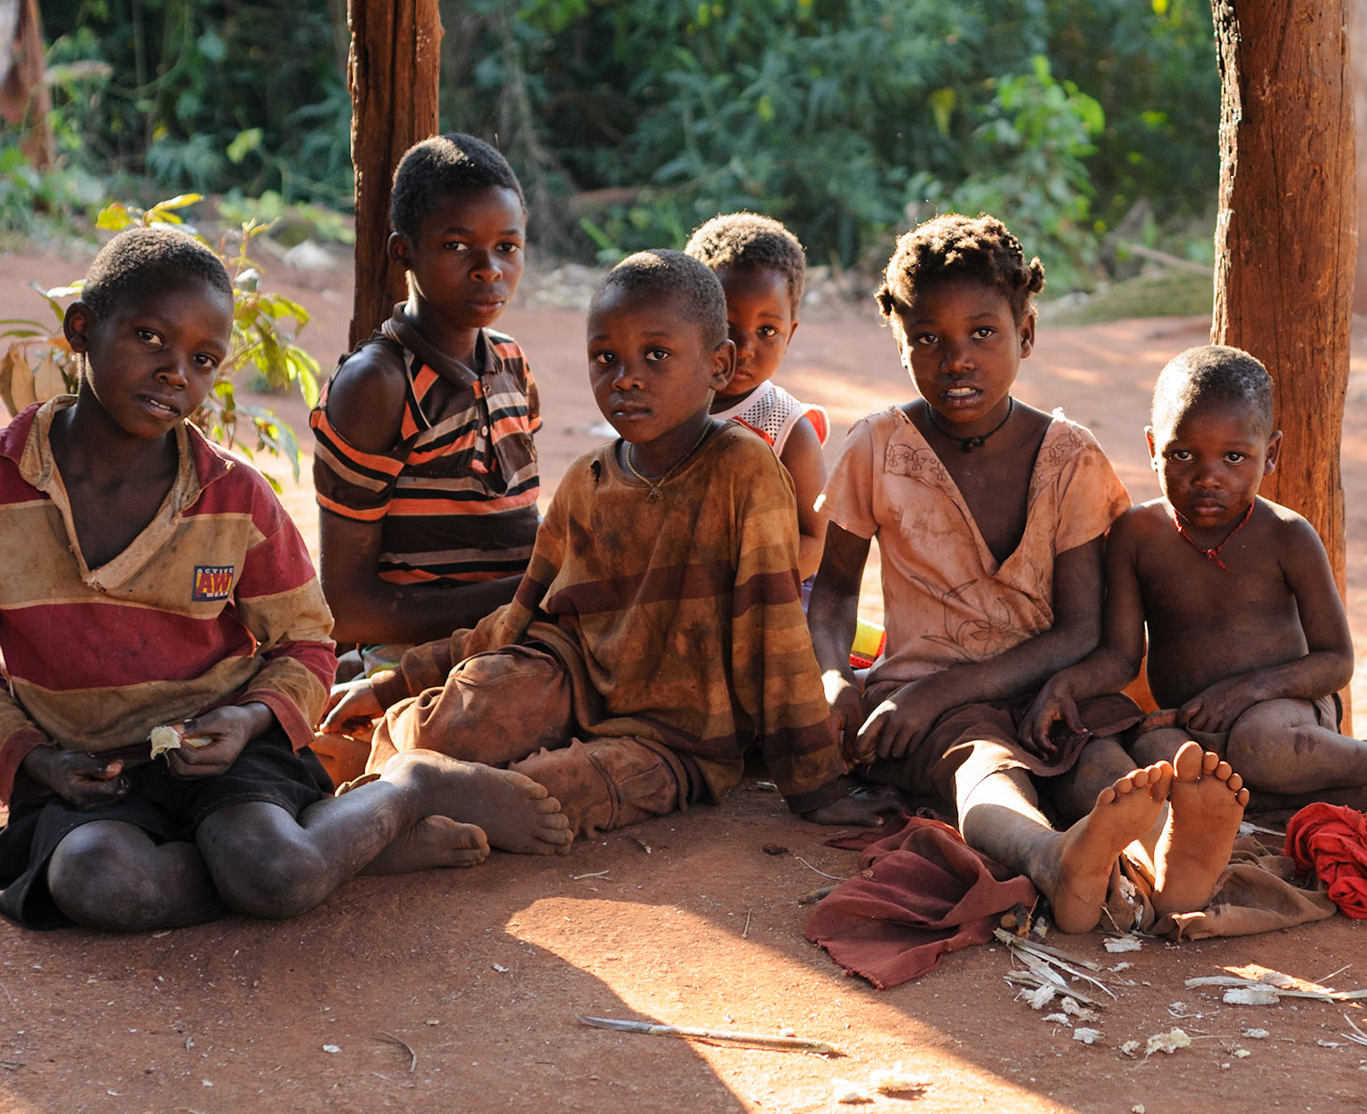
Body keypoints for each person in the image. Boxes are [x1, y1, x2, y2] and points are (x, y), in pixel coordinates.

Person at [0, 228, 572, 930]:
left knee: (276, 872)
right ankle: (342, 848)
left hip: (231, 755)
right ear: (82, 329)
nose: (176, 371)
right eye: (150, 337)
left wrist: (247, 720)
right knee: (96, 883)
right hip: (85, 777)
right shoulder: (6, 490)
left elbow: (308, 642)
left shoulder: (233, 498)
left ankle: (409, 790)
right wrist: (38, 760)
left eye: (202, 359)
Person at [810, 215, 1248, 931]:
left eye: (983, 333)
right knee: (983, 768)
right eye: (928, 339)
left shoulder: (1070, 459)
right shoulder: (876, 449)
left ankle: (1155, 874)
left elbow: (1082, 628)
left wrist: (1010, 690)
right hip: (926, 704)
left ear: (1027, 335)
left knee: (1104, 769)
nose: (956, 359)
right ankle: (1051, 859)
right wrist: (835, 678)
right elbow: (829, 598)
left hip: (1049, 689)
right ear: (902, 346)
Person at [355, 251, 889, 837]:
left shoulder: (744, 466)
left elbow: (775, 626)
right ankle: (423, 785)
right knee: (461, 719)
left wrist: (816, 783)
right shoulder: (588, 478)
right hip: (571, 673)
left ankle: (424, 799)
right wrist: (397, 682)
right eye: (605, 358)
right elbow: (519, 614)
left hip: (676, 732)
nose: (626, 377)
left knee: (577, 788)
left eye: (656, 355)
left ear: (718, 365)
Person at [1029, 345, 1367, 819]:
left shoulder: (1289, 537)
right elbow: (1121, 656)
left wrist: (1250, 691)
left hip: (1286, 713)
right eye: (1183, 454)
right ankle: (1310, 797)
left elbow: (1337, 662)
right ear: (1152, 449)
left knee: (1258, 746)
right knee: (1154, 755)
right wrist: (1065, 685)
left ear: (1269, 455)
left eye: (1234, 457)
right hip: (1195, 720)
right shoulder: (1137, 535)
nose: (1208, 478)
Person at [310, 134, 541, 660]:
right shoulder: (379, 385)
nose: (490, 269)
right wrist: (524, 596)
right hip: (412, 659)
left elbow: (512, 526)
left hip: (518, 642)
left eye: (507, 246)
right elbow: (345, 607)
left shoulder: (511, 363)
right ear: (403, 251)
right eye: (457, 246)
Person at [685, 212, 830, 578]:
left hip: (762, 602)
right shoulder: (666, 407)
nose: (745, 347)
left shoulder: (786, 428)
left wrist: (746, 581)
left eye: (767, 330)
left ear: (790, 335)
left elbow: (814, 539)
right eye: (727, 325)